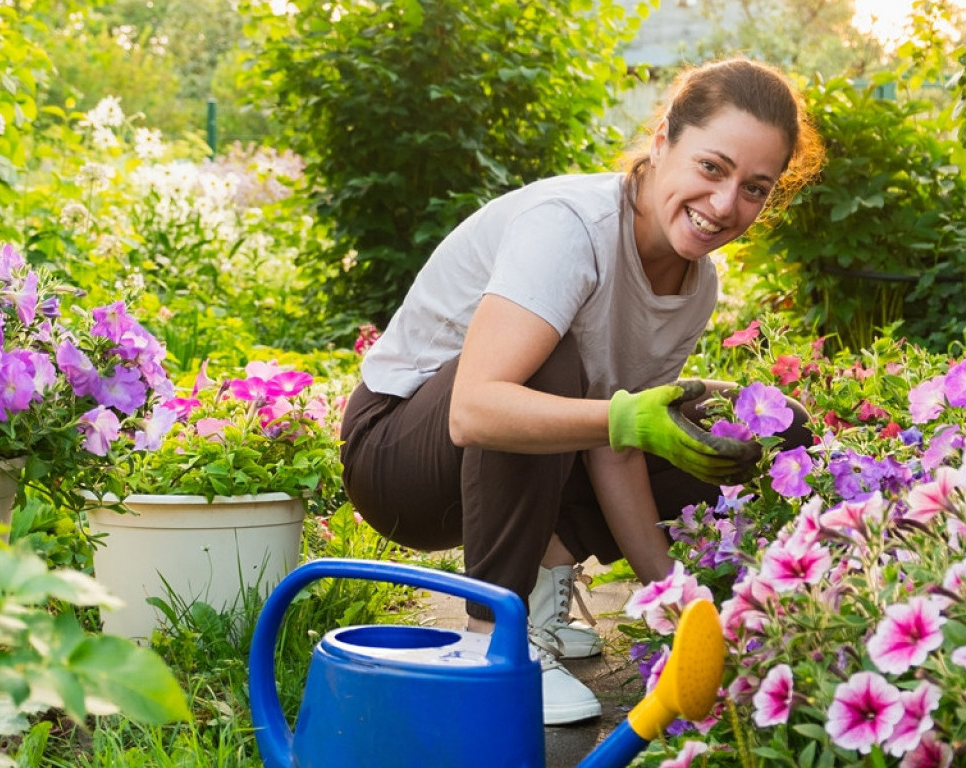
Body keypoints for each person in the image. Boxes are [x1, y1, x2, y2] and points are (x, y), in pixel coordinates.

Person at [339, 56, 824, 726]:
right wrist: (625, 418)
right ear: (662, 140)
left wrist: (674, 603)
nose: (724, 205)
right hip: (398, 457)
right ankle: (496, 645)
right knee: (552, 362)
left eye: (754, 189)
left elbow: (615, 438)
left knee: (761, 426)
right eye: (712, 168)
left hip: (503, 467)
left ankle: (543, 582)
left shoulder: (695, 281)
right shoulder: (571, 225)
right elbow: (477, 409)